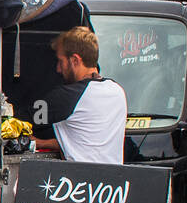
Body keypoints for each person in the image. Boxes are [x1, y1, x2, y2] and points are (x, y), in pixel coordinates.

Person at [31, 26, 128, 164]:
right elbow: (85, 144)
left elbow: (23, 120)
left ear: (75, 60)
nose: (58, 69)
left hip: (79, 181)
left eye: (61, 61)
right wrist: (42, 143)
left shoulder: (66, 97)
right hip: (112, 181)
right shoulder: (117, 91)